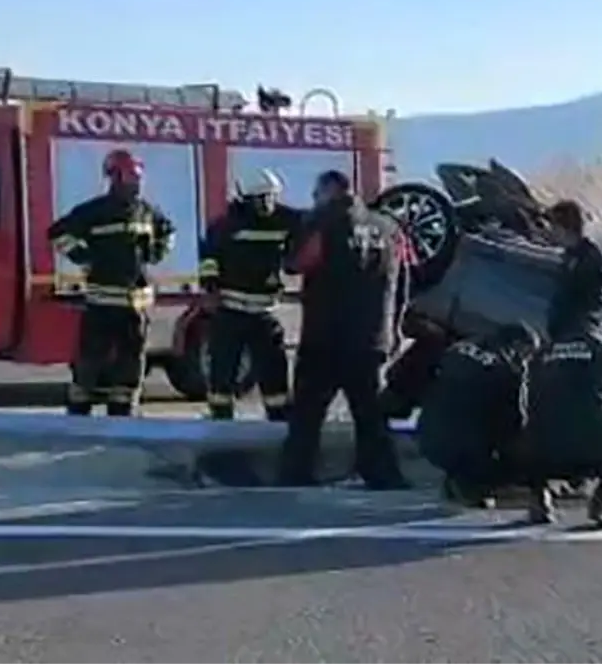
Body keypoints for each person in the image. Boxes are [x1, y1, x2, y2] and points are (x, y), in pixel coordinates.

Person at [279, 169, 411, 489]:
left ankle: (296, 474)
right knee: (370, 415)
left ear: (328, 193)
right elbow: (406, 279)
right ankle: (381, 475)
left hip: (325, 337)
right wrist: (393, 330)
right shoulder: (390, 228)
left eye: (316, 195)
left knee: (308, 414)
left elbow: (295, 263)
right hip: (371, 339)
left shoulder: (324, 225)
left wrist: (302, 227)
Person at [47, 148, 175, 417]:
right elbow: (58, 232)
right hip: (102, 302)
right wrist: (82, 256)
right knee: (91, 360)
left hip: (135, 304)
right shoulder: (95, 211)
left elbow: (168, 230)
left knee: (131, 361)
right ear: (114, 178)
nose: (136, 184)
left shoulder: (146, 211)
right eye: (130, 178)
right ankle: (79, 409)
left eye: (138, 178)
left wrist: (158, 251)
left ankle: (123, 410)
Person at [198, 168, 301, 421]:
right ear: (245, 199)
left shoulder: (287, 220)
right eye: (260, 198)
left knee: (275, 375)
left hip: (265, 313)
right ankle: (221, 421)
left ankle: (279, 423)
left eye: (271, 196)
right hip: (230, 313)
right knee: (222, 374)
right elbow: (209, 260)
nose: (267, 204)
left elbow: (311, 230)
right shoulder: (225, 227)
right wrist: (210, 288)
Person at [523, 330, 602, 528]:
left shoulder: (540, 353)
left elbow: (525, 398)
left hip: (543, 452)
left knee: (535, 432)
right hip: (597, 449)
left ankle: (540, 495)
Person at [416, 322, 542, 508]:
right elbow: (514, 423)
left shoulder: (455, 350)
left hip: (427, 438)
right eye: (527, 353)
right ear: (516, 345)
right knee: (516, 459)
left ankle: (458, 476)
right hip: (465, 447)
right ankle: (472, 486)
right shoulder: (506, 370)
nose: (528, 360)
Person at [545, 199, 602, 340]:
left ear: (565, 228)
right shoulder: (570, 256)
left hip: (586, 333)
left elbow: (594, 303)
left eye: (554, 227)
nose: (551, 231)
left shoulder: (594, 260)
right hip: (569, 331)